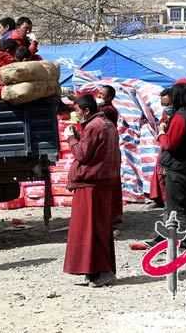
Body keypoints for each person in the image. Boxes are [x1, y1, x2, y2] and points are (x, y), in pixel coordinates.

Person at [62, 95, 120, 287]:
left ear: (86, 111)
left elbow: (82, 154)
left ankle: (102, 272)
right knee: (97, 228)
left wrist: (71, 138)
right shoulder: (106, 124)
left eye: (77, 111)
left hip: (92, 184)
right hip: (102, 183)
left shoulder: (95, 126)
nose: (76, 115)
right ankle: (94, 272)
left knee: (90, 229)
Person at [146, 82, 186, 250]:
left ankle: (184, 243)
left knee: (178, 208)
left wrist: (161, 132)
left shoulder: (181, 117)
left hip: (179, 169)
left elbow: (171, 144)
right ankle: (184, 239)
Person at [96, 85, 123, 227]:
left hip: (109, 151)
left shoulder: (109, 111)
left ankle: (112, 215)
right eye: (98, 93)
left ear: (110, 98)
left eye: (102, 94)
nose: (99, 96)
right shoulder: (101, 109)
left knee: (110, 183)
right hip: (104, 150)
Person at [149, 88, 173, 207]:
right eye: (163, 105)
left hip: (172, 146)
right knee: (159, 171)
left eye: (167, 104)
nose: (165, 107)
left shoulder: (180, 115)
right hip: (164, 144)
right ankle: (160, 199)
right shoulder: (166, 113)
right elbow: (162, 123)